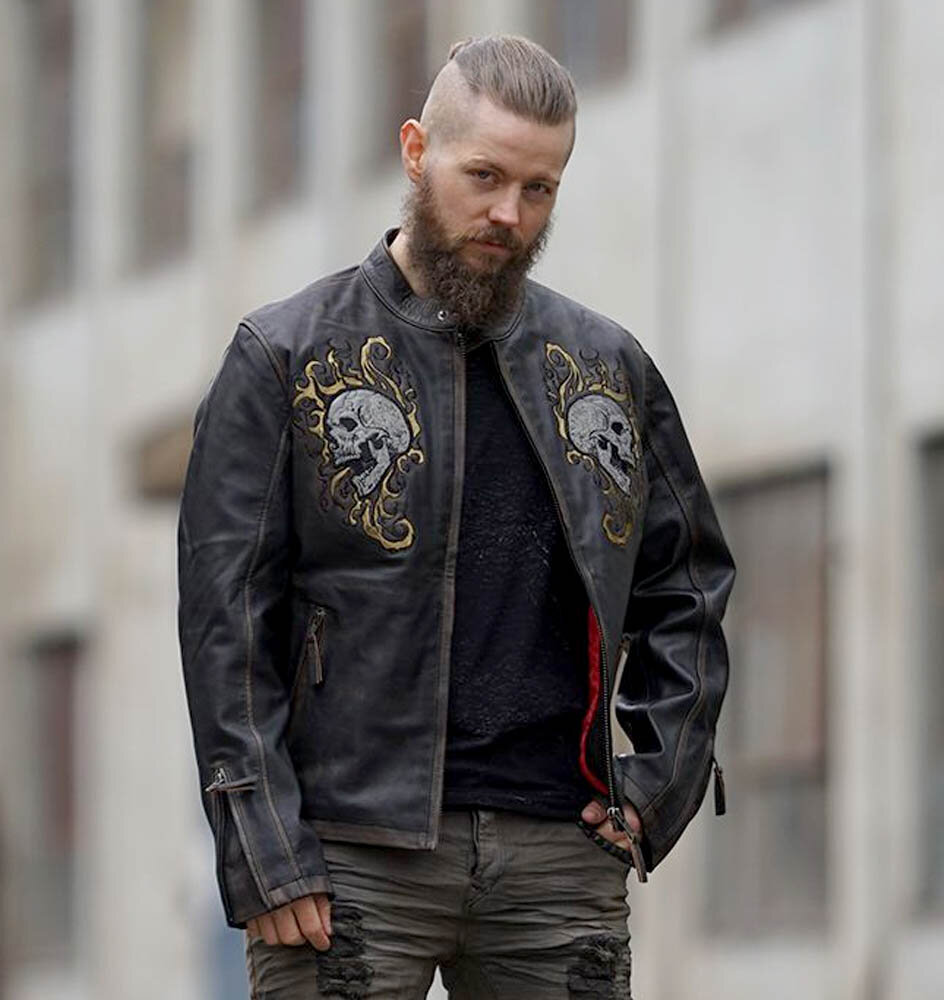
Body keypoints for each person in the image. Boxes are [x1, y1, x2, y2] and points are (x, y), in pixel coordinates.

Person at [178, 34, 734, 1000]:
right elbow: (226, 618)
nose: (508, 213)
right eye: (485, 176)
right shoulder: (286, 356)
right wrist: (262, 846)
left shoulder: (607, 368)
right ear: (415, 151)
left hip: (559, 855)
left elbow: (687, 585)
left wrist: (656, 787)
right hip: (348, 856)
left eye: (538, 189)